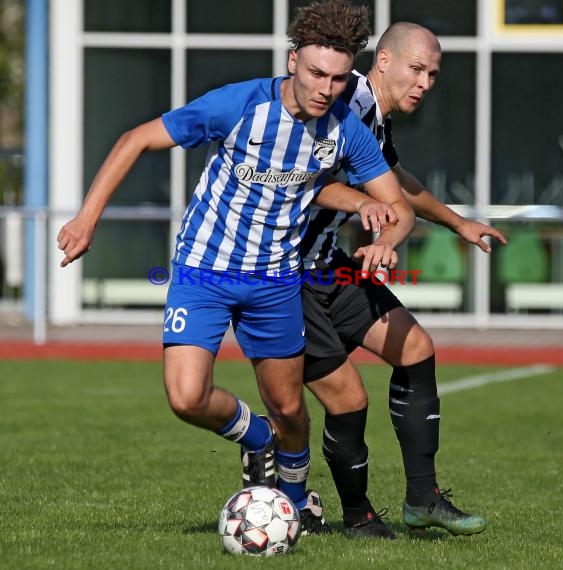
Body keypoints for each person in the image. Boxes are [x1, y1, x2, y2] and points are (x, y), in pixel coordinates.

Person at [56, 0, 415, 535]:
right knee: (186, 397)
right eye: (317, 73)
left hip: (274, 280)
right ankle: (256, 439)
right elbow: (135, 139)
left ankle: (291, 508)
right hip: (203, 270)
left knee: (291, 408)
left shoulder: (346, 129)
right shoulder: (239, 106)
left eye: (340, 79)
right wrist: (87, 219)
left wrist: (385, 235)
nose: (326, 88)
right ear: (293, 61)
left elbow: (399, 206)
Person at [297, 21, 509, 538]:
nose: (426, 82)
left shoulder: (372, 116)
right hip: (284, 273)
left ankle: (423, 500)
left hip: (329, 264)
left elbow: (399, 187)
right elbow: (304, 179)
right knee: (344, 398)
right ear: (384, 62)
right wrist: (378, 222)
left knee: (415, 347)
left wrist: (457, 223)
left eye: (433, 74)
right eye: (417, 68)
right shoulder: (348, 104)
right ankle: (354, 515)